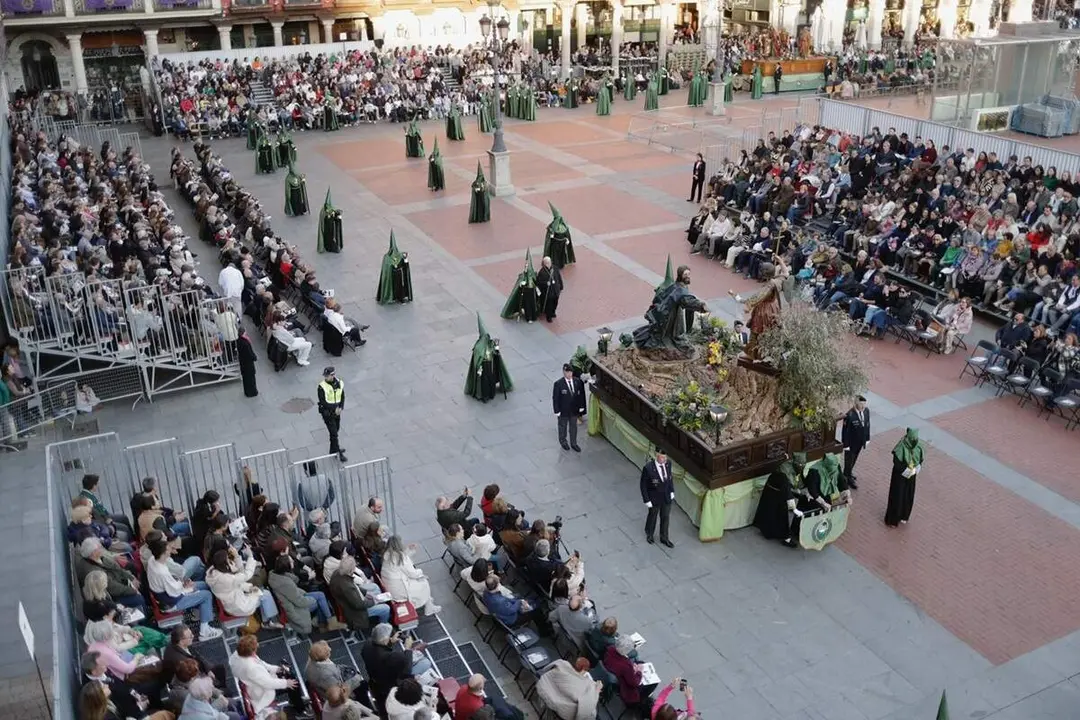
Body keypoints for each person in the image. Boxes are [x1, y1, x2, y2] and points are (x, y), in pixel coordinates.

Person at [146, 537, 223, 641]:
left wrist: (184, 584)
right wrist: (186, 586)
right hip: (171, 602)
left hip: (169, 593)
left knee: (204, 585)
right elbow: (175, 592)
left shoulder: (152, 560)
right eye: (168, 550)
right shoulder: (161, 572)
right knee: (206, 595)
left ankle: (200, 611)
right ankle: (204, 631)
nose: (171, 551)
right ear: (163, 553)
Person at [228, 634, 306, 719]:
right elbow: (268, 683)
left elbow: (261, 663)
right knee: (294, 683)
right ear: (251, 651)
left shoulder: (239, 654)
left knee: (287, 677)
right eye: (255, 645)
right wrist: (286, 683)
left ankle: (295, 702)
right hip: (261, 691)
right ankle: (300, 710)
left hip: (255, 682)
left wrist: (276, 669)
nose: (258, 645)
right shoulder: (251, 667)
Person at [205, 548, 283, 630]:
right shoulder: (226, 579)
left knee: (260, 591)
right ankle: (271, 621)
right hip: (239, 607)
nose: (230, 561)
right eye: (228, 559)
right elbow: (246, 575)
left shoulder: (214, 572)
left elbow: (237, 580)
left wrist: (249, 588)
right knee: (265, 594)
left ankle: (267, 621)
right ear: (224, 564)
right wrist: (250, 556)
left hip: (231, 601)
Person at [360, 623, 434, 708]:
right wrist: (408, 649)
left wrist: (390, 642)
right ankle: (415, 651)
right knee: (425, 663)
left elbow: (380, 649)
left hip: (376, 678)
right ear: (385, 640)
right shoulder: (393, 657)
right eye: (390, 635)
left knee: (409, 658)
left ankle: (414, 652)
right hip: (392, 683)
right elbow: (407, 671)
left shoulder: (367, 644)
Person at [268, 554, 343, 635]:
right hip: (295, 608)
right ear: (287, 567)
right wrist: (312, 599)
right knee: (319, 601)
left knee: (320, 595)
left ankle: (323, 623)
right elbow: (299, 601)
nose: (293, 561)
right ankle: (326, 623)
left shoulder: (274, 575)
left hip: (294, 599)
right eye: (291, 561)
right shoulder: (286, 584)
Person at [75, 537, 145, 611]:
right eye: (99, 548)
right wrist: (132, 590)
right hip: (111, 596)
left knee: (140, 585)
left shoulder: (99, 558)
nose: (102, 548)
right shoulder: (94, 572)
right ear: (93, 553)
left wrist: (132, 578)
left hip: (119, 583)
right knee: (139, 599)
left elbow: (117, 568)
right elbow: (113, 588)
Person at [328, 555, 393, 632]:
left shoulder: (338, 573)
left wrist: (366, 593)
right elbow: (359, 605)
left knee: (375, 587)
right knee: (385, 608)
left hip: (349, 602)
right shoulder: (347, 587)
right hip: (356, 613)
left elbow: (355, 587)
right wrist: (374, 601)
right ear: (351, 570)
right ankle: (383, 630)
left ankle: (377, 611)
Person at [381, 535, 441, 615]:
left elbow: (402, 563)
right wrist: (421, 572)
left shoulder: (387, 554)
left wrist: (408, 550)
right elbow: (412, 573)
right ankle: (429, 607)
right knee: (424, 582)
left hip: (390, 586)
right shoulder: (400, 557)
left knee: (420, 580)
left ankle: (429, 601)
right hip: (399, 591)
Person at [604, 635, 656, 715]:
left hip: (614, 670)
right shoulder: (626, 665)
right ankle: (640, 701)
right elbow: (634, 682)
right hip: (623, 685)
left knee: (640, 662)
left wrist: (632, 667)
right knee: (653, 683)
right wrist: (638, 672)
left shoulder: (610, 649)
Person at [535, 658, 601, 720]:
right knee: (592, 714)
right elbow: (587, 707)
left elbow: (546, 669)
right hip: (562, 709)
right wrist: (596, 690)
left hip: (547, 691)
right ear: (583, 669)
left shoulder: (562, 665)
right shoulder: (586, 685)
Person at [885, 428, 925, 527]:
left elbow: (920, 459)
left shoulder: (918, 446)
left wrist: (916, 468)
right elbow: (897, 462)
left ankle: (904, 515)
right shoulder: (901, 446)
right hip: (900, 476)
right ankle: (893, 519)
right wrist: (906, 470)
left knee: (908, 495)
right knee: (897, 496)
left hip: (912, 475)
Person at [640, 449, 675, 548]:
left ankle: (664, 538)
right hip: (654, 497)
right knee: (653, 516)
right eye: (662, 457)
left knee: (665, 517)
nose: (664, 459)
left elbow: (669, 478)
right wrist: (646, 500)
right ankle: (649, 533)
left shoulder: (668, 464)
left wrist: (671, 490)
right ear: (656, 455)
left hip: (666, 496)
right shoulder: (648, 468)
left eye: (665, 457)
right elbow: (643, 485)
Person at [553, 363, 586, 452]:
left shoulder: (577, 381)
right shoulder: (558, 384)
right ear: (564, 372)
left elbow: (580, 395)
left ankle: (574, 443)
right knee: (562, 426)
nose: (569, 374)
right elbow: (555, 398)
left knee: (573, 427)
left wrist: (582, 406)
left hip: (574, 409)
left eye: (570, 372)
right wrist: (556, 410)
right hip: (563, 410)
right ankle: (563, 441)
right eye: (567, 372)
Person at [318, 366, 347, 462]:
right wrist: (335, 409)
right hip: (328, 413)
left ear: (333, 375)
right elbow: (323, 402)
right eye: (325, 376)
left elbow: (342, 396)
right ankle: (338, 452)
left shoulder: (340, 383)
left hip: (337, 412)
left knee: (335, 431)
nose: (326, 377)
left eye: (328, 376)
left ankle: (332, 449)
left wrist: (341, 407)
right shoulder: (321, 386)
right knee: (334, 434)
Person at [841, 395, 870, 489]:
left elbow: (867, 425)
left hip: (860, 442)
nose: (863, 406)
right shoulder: (849, 415)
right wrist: (846, 445)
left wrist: (867, 438)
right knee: (849, 460)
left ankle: (848, 472)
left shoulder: (866, 411)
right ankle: (848, 478)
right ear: (856, 403)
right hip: (851, 443)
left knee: (854, 459)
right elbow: (845, 432)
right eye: (861, 404)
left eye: (864, 404)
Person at [376, 232, 414, 305]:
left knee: (401, 288)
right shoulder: (386, 258)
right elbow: (386, 269)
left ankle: (401, 298)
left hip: (400, 276)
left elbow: (405, 264)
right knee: (393, 288)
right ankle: (390, 297)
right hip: (392, 276)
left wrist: (405, 259)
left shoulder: (400, 256)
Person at [542, 203, 576, 269]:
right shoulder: (564, 226)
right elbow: (566, 234)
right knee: (560, 255)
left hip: (556, 244)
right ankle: (560, 264)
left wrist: (551, 236)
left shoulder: (553, 226)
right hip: (560, 243)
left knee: (557, 255)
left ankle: (557, 264)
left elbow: (551, 234)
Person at [537, 256, 564, 323]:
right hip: (548, 292)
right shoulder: (542, 272)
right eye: (547, 263)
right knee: (549, 304)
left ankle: (553, 312)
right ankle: (549, 316)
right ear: (544, 263)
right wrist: (546, 283)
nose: (549, 264)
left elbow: (558, 277)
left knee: (555, 302)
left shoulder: (555, 268)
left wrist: (561, 286)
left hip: (555, 290)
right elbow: (539, 282)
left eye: (549, 262)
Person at [317, 189, 344, 254]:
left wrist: (337, 215)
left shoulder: (331, 208)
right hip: (327, 226)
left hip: (331, 225)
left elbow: (333, 213)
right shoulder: (323, 211)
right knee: (328, 237)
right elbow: (323, 220)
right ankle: (328, 247)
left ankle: (335, 245)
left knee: (332, 236)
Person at [237, 331, 259, 398]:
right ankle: (252, 392)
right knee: (251, 379)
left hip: (243, 363)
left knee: (245, 379)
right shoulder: (245, 343)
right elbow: (250, 353)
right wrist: (255, 358)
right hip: (248, 364)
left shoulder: (238, 341)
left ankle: (247, 392)